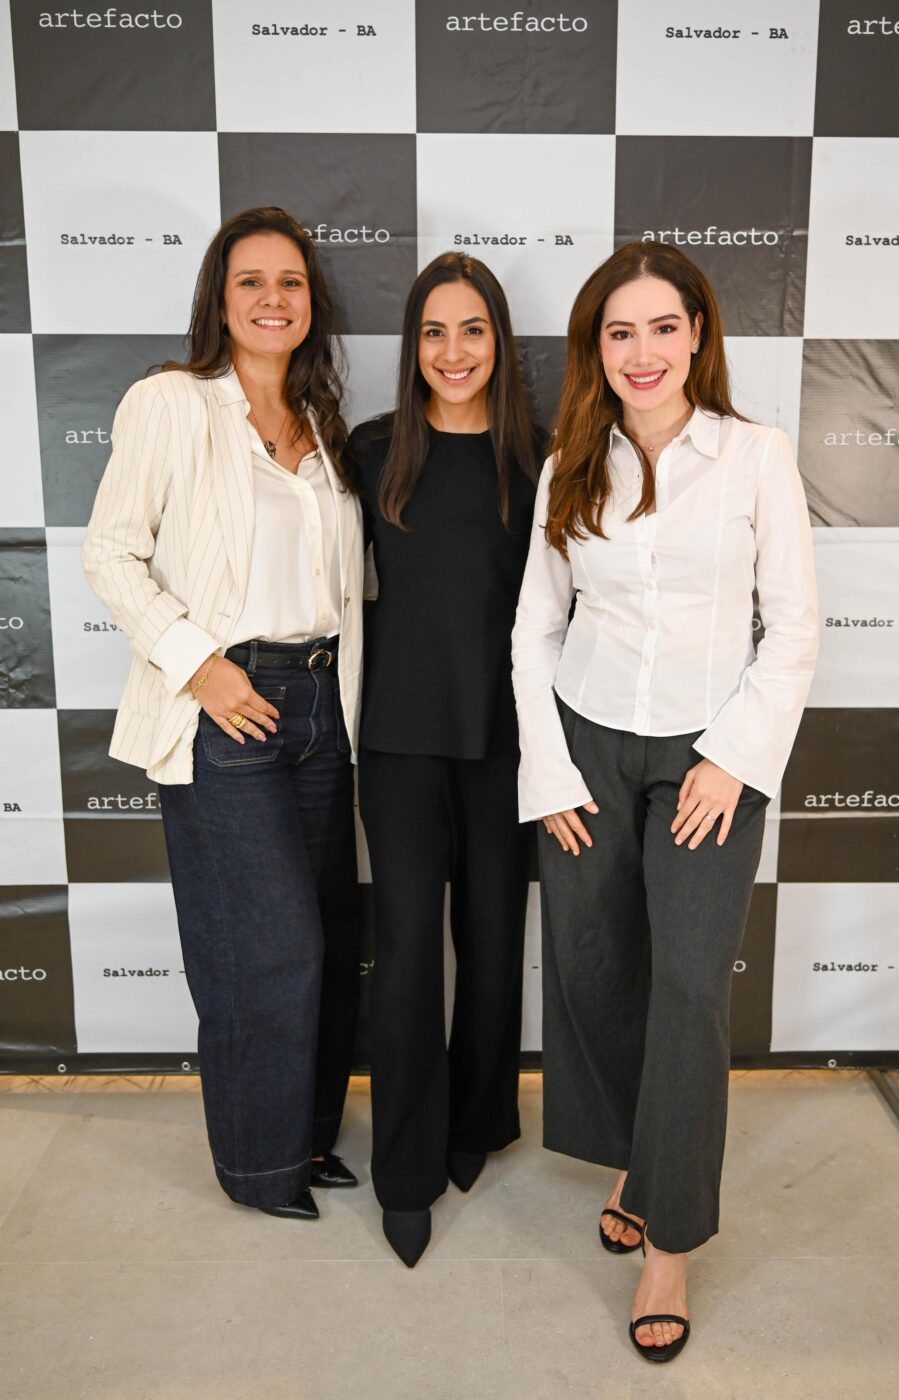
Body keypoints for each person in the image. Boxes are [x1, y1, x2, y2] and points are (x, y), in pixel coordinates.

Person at [512, 241, 818, 1361]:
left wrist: (733, 757)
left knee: (688, 985)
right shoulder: (569, 464)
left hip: (708, 752)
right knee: (594, 964)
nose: (642, 351)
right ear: (599, 346)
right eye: (618, 331)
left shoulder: (753, 456)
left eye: (661, 326)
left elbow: (791, 626)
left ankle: (671, 1240)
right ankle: (638, 1159)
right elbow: (534, 629)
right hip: (587, 739)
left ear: (698, 332)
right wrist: (546, 766)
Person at [82, 206, 364, 1219]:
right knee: (264, 947)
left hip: (321, 703)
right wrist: (201, 666)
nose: (272, 298)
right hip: (227, 703)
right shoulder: (172, 403)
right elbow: (108, 551)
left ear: (310, 302)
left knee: (326, 938)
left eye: (290, 282)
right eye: (251, 281)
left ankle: (306, 1139)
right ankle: (258, 1167)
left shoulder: (322, 424)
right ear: (219, 298)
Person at [348, 253, 543, 1267]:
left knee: (496, 940)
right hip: (396, 740)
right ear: (411, 344)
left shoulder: (541, 458)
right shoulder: (371, 449)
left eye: (473, 330)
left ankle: (476, 1122)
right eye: (433, 330)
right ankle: (407, 1169)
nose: (453, 351)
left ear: (498, 341)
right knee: (413, 952)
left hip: (509, 745)